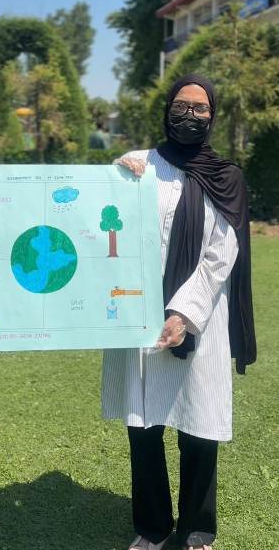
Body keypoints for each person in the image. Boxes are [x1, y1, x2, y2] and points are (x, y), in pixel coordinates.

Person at [101, 74, 256, 550]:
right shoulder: (140, 164)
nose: (191, 115)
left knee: (199, 427)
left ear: (213, 115)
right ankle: (152, 528)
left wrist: (183, 314)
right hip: (139, 315)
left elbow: (221, 254)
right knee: (144, 428)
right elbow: (104, 222)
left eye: (201, 108)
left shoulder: (226, 177)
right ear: (167, 110)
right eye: (182, 106)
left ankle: (196, 530)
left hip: (200, 318)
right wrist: (113, 177)